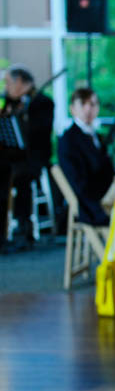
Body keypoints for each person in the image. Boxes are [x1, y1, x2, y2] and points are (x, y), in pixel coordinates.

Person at [0, 65, 54, 252]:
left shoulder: (42, 102)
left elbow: (40, 133)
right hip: (13, 156)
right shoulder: (8, 102)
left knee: (21, 177)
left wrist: (23, 114)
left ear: (21, 82)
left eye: (8, 83)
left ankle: (24, 231)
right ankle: (2, 235)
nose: (6, 87)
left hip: (34, 157)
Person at [57, 88, 115, 226]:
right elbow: (77, 182)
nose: (88, 108)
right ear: (72, 109)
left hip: (105, 196)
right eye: (83, 104)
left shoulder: (97, 137)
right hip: (90, 204)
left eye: (93, 104)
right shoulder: (68, 139)